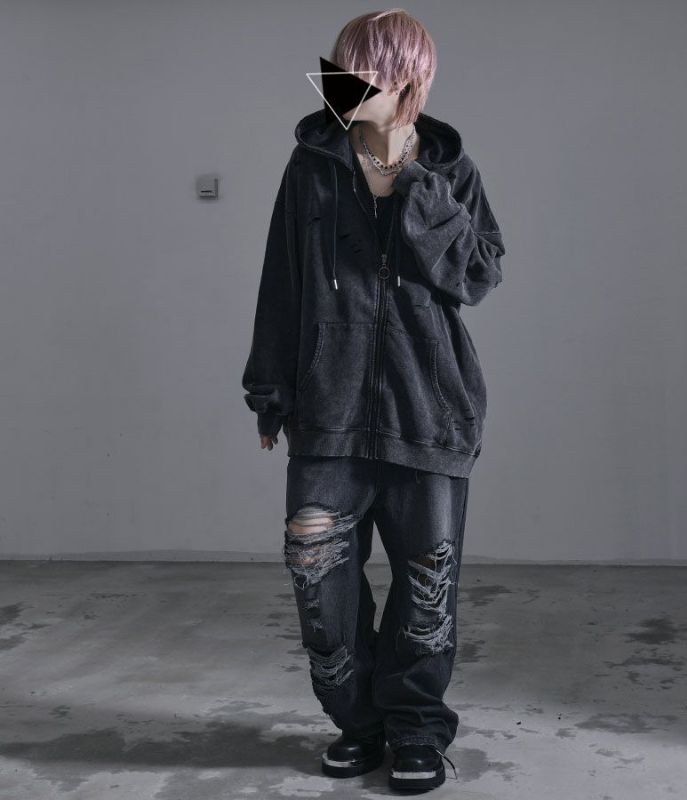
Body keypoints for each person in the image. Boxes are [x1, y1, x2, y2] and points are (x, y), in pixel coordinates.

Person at [241, 9, 505, 793]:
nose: (339, 81)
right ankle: (357, 724)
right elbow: (282, 280)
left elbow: (477, 276)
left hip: (431, 411)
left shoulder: (449, 171)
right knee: (320, 582)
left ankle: (416, 728)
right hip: (327, 411)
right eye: (338, 64)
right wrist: (270, 389)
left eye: (359, 69)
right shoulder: (312, 167)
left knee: (428, 588)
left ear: (404, 81)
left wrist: (411, 180)